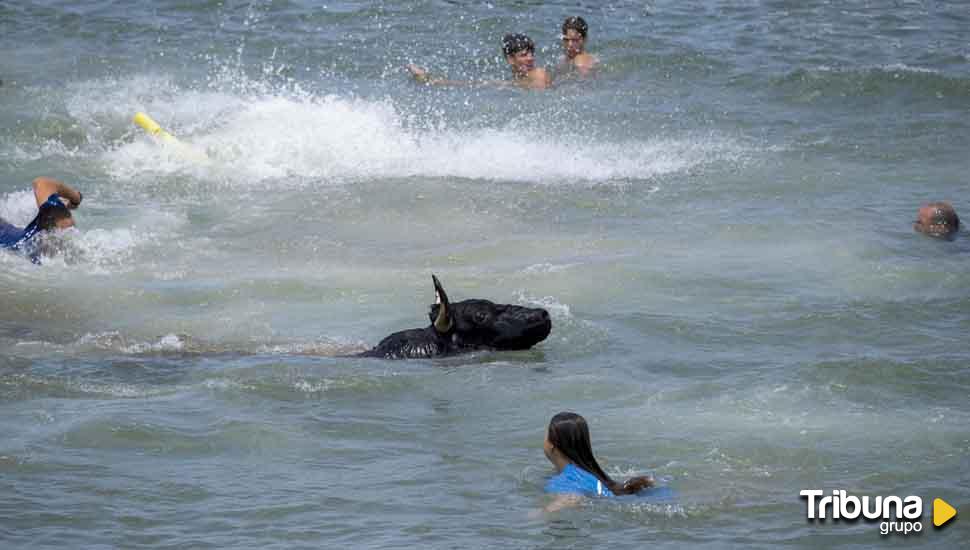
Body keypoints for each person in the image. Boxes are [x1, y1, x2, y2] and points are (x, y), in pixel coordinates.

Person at [542, 411, 654, 512]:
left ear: (552, 445)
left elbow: (572, 498)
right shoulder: (590, 469)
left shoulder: (564, 481)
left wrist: (544, 512)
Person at [407, 33, 551, 90]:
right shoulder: (519, 77)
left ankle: (427, 78)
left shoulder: (539, 73)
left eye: (531, 54)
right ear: (510, 59)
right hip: (514, 84)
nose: (530, 58)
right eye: (524, 55)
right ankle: (427, 78)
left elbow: (541, 95)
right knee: (475, 84)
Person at [0, 177, 82, 263]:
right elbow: (41, 182)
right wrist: (76, 197)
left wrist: (76, 198)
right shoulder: (27, 250)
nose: (71, 230)